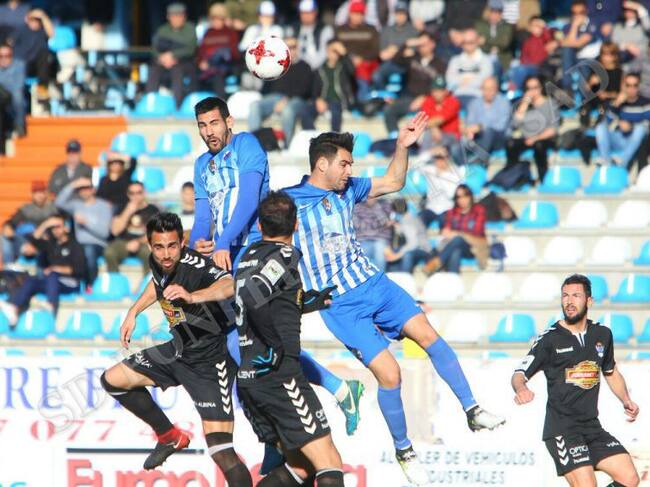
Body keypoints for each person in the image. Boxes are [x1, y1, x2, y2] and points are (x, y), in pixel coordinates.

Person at [282, 117, 505, 485]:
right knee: (390, 374)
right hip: (341, 305)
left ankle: (473, 409)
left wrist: (402, 146)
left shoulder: (348, 189)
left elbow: (394, 181)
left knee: (429, 336)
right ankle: (404, 450)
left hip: (375, 284)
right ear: (322, 164)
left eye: (351, 164)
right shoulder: (288, 201)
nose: (350, 170)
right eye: (344, 164)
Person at [189, 96, 364, 445]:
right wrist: (198, 242)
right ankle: (328, 397)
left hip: (257, 249)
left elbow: (249, 200)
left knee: (260, 344)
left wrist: (222, 242)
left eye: (214, 123)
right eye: (202, 126)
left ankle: (297, 422)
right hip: (226, 255)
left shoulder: (246, 146)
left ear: (229, 122)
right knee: (238, 345)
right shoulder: (202, 164)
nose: (209, 132)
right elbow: (203, 214)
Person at [100, 213, 253, 485]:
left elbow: (229, 284)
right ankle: (169, 436)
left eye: (172, 246)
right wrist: (133, 311)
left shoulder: (195, 266)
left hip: (210, 361)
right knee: (112, 380)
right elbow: (157, 283)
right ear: (150, 246)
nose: (166, 254)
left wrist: (193, 296)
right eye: (159, 247)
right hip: (177, 350)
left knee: (221, 451)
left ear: (182, 242)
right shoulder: (158, 262)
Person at [235, 191, 344, 487]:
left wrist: (305, 302)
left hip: (250, 376)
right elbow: (254, 295)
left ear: (260, 225)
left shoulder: (249, 255)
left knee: (301, 467)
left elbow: (261, 298)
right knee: (329, 461)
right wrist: (275, 344)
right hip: (279, 375)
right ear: (296, 225)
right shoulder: (284, 255)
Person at [512, 274, 640, 487]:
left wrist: (626, 400)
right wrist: (521, 388)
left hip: (592, 427)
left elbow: (610, 371)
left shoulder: (602, 334)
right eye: (565, 296)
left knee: (629, 478)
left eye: (576, 296)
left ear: (589, 301)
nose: (569, 301)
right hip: (562, 430)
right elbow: (519, 374)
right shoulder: (549, 339)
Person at [0, 214, 85, 326]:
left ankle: (51, 306)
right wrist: (45, 224)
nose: (55, 230)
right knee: (31, 280)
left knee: (52, 274)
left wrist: (56, 269)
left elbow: (79, 269)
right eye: (53, 227)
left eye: (58, 226)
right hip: (52, 282)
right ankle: (14, 307)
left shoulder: (75, 246)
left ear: (66, 228)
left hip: (70, 283)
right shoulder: (51, 244)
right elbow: (33, 240)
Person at [247, 37, 313, 146]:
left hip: (296, 99)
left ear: (298, 48)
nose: (290, 50)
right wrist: (261, 70)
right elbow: (265, 89)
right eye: (288, 47)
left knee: (287, 110)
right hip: (275, 98)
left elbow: (305, 90)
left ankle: (287, 146)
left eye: (293, 47)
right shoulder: (275, 64)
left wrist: (286, 100)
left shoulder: (304, 66)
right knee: (254, 105)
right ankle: (254, 145)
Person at [385, 31, 446, 135]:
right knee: (389, 110)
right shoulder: (413, 58)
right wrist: (407, 44)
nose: (421, 47)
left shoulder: (440, 64)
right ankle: (394, 138)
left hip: (429, 99)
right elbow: (395, 60)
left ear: (432, 44)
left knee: (424, 116)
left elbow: (440, 87)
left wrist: (425, 97)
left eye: (424, 43)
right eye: (419, 44)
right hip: (408, 97)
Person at [55, 177, 112, 288]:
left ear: (93, 189)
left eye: (87, 188)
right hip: (78, 244)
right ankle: (75, 286)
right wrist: (73, 185)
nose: (84, 191)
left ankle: (91, 284)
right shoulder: (76, 205)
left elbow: (105, 233)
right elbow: (58, 203)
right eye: (81, 189)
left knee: (88, 251)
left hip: (97, 244)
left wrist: (86, 223)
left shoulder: (104, 206)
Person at [424, 184, 488, 275]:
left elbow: (477, 232)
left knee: (458, 239)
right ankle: (453, 278)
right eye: (458, 197)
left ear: (470, 196)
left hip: (473, 247)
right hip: (455, 245)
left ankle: (437, 262)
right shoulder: (452, 212)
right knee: (456, 250)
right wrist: (450, 233)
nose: (462, 199)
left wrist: (458, 234)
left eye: (465, 195)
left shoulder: (478, 210)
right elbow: (447, 231)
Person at [506, 75, 558, 183]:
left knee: (539, 146)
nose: (532, 91)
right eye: (529, 88)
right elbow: (515, 124)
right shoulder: (522, 105)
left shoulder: (550, 104)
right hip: (527, 139)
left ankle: (543, 178)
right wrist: (525, 103)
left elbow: (553, 129)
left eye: (535, 87)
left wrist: (535, 138)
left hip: (544, 139)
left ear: (541, 87)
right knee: (510, 144)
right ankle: (514, 176)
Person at [145, 3, 197, 107]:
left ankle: (176, 105)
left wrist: (173, 55)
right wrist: (162, 58)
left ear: (184, 16)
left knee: (177, 71)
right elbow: (154, 48)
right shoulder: (162, 30)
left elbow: (191, 49)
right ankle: (150, 103)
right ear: (168, 17)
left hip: (184, 62)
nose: (176, 19)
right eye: (173, 16)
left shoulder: (190, 29)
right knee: (154, 69)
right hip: (164, 62)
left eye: (179, 15)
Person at [595, 72, 650, 168]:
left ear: (639, 87)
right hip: (619, 138)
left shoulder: (645, 103)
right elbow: (607, 122)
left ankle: (622, 160)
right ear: (623, 86)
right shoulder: (617, 103)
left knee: (640, 128)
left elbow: (647, 126)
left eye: (635, 85)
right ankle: (605, 160)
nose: (631, 89)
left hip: (636, 141)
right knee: (600, 126)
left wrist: (630, 127)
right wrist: (617, 103)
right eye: (628, 85)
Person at [104, 181, 159, 275]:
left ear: (144, 193)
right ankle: (116, 280)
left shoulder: (153, 210)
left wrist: (138, 242)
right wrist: (128, 212)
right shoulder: (122, 207)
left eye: (139, 192)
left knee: (150, 255)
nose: (135, 196)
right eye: (132, 193)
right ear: (128, 194)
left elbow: (155, 234)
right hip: (123, 241)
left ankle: (149, 282)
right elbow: (115, 231)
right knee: (109, 252)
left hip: (144, 242)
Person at [301, 39, 355, 133]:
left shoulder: (343, 67)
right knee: (305, 112)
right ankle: (313, 136)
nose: (335, 54)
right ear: (327, 51)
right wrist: (318, 100)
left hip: (339, 101)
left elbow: (352, 70)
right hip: (324, 100)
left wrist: (344, 53)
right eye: (333, 50)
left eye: (337, 52)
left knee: (335, 110)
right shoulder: (320, 69)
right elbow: (314, 91)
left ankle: (334, 136)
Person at [334, 0, 380, 101]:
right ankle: (345, 100)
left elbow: (375, 50)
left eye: (360, 14)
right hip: (345, 63)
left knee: (362, 72)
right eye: (355, 13)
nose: (357, 17)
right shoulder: (340, 30)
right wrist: (349, 57)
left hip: (366, 64)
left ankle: (363, 101)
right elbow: (334, 44)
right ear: (350, 14)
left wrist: (361, 59)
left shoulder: (371, 29)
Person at [1, 180, 56, 264]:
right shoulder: (26, 208)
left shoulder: (52, 208)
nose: (40, 195)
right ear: (32, 194)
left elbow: (59, 222)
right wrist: (8, 226)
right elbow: (13, 221)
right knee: (5, 237)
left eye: (42, 192)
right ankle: (9, 267)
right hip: (27, 241)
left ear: (46, 194)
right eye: (37, 193)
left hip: (45, 240)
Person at [463, 76, 511, 165]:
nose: (488, 92)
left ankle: (479, 162)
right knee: (461, 140)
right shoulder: (474, 103)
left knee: (488, 132)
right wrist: (470, 130)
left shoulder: (504, 102)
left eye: (491, 89)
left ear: (496, 89)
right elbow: (470, 123)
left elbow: (501, 126)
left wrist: (481, 127)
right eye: (485, 89)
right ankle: (462, 166)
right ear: (481, 89)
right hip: (478, 137)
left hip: (499, 138)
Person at [416, 145, 466, 229]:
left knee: (446, 226)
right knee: (416, 223)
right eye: (437, 157)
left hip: (447, 209)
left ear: (448, 158)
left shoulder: (456, 173)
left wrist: (442, 175)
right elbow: (415, 164)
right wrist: (431, 152)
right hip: (431, 208)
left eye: (442, 157)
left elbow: (451, 194)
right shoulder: (430, 169)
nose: (439, 161)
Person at [372, 1, 418, 90]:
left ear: (406, 15)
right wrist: (402, 49)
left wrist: (393, 50)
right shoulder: (386, 31)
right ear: (394, 14)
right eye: (398, 13)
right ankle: (385, 95)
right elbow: (383, 56)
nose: (400, 16)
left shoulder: (413, 31)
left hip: (407, 64)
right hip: (390, 63)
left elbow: (411, 53)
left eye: (403, 13)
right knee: (376, 76)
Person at [197, 3, 240, 98]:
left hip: (224, 66)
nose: (216, 21)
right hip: (208, 66)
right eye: (214, 19)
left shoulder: (230, 33)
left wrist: (224, 55)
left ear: (223, 19)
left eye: (219, 19)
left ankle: (220, 102)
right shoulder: (208, 33)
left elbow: (235, 54)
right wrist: (201, 61)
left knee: (217, 75)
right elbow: (201, 51)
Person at [9, 8, 53, 100]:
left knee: (44, 56)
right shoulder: (22, 29)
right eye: (32, 19)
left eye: (37, 20)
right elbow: (10, 42)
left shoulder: (42, 31)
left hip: (36, 64)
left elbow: (51, 34)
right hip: (21, 62)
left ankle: (42, 89)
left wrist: (43, 16)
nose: (34, 22)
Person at [445, 28, 494, 109]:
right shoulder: (455, 60)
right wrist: (472, 78)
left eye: (471, 42)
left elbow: (484, 82)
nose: (468, 45)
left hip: (478, 97)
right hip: (456, 97)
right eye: (465, 42)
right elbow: (450, 82)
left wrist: (462, 79)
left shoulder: (486, 60)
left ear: (477, 41)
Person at [559, 0, 600, 93]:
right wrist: (574, 26)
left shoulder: (592, 23)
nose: (577, 15)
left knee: (579, 59)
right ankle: (567, 87)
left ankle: (578, 91)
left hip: (592, 58)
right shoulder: (568, 26)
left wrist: (574, 26)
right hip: (575, 57)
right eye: (574, 13)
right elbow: (563, 43)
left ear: (586, 11)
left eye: (581, 12)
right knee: (566, 50)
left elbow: (578, 44)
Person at [579, 42, 622, 128]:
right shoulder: (597, 68)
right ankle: (584, 126)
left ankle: (598, 126)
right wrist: (591, 82)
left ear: (615, 56)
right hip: (594, 98)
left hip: (608, 100)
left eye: (609, 54)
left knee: (603, 109)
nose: (606, 57)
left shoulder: (618, 72)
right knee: (585, 107)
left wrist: (607, 94)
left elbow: (619, 94)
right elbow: (586, 89)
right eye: (603, 54)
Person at [508, 16, 558, 90]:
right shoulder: (527, 39)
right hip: (528, 66)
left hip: (541, 66)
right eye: (534, 26)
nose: (537, 28)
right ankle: (515, 90)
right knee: (514, 69)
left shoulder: (545, 37)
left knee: (520, 70)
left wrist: (544, 27)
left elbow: (553, 34)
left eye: (538, 25)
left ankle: (515, 90)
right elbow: (523, 56)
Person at [385, 198, 433, 273]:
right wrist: (397, 227)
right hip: (415, 247)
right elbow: (407, 232)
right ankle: (392, 275)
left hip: (422, 249)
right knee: (391, 253)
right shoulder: (407, 218)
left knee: (405, 254)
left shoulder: (407, 221)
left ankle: (405, 275)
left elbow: (413, 244)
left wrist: (397, 255)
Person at [286, 0, 335, 71]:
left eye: (309, 12)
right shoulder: (292, 29)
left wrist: (309, 68)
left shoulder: (325, 30)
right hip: (295, 69)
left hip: (317, 70)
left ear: (315, 12)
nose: (306, 16)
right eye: (303, 13)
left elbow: (324, 53)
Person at [352, 196, 393, 272]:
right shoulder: (356, 206)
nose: (370, 198)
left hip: (380, 239)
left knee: (380, 254)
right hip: (363, 240)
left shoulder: (384, 205)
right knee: (363, 256)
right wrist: (378, 225)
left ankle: (379, 277)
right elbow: (357, 225)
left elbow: (385, 221)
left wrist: (375, 206)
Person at [475, 0, 515, 76]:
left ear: (501, 14)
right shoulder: (480, 25)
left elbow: (504, 43)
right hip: (484, 57)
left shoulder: (507, 26)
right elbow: (478, 42)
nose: (494, 15)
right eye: (492, 12)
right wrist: (491, 47)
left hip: (502, 59)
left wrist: (486, 41)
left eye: (498, 13)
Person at [0, 42, 25, 140]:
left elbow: (18, 85)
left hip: (11, 96)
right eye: (1, 56)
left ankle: (19, 125)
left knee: (17, 95)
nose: (4, 59)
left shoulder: (19, 65)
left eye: (7, 56)